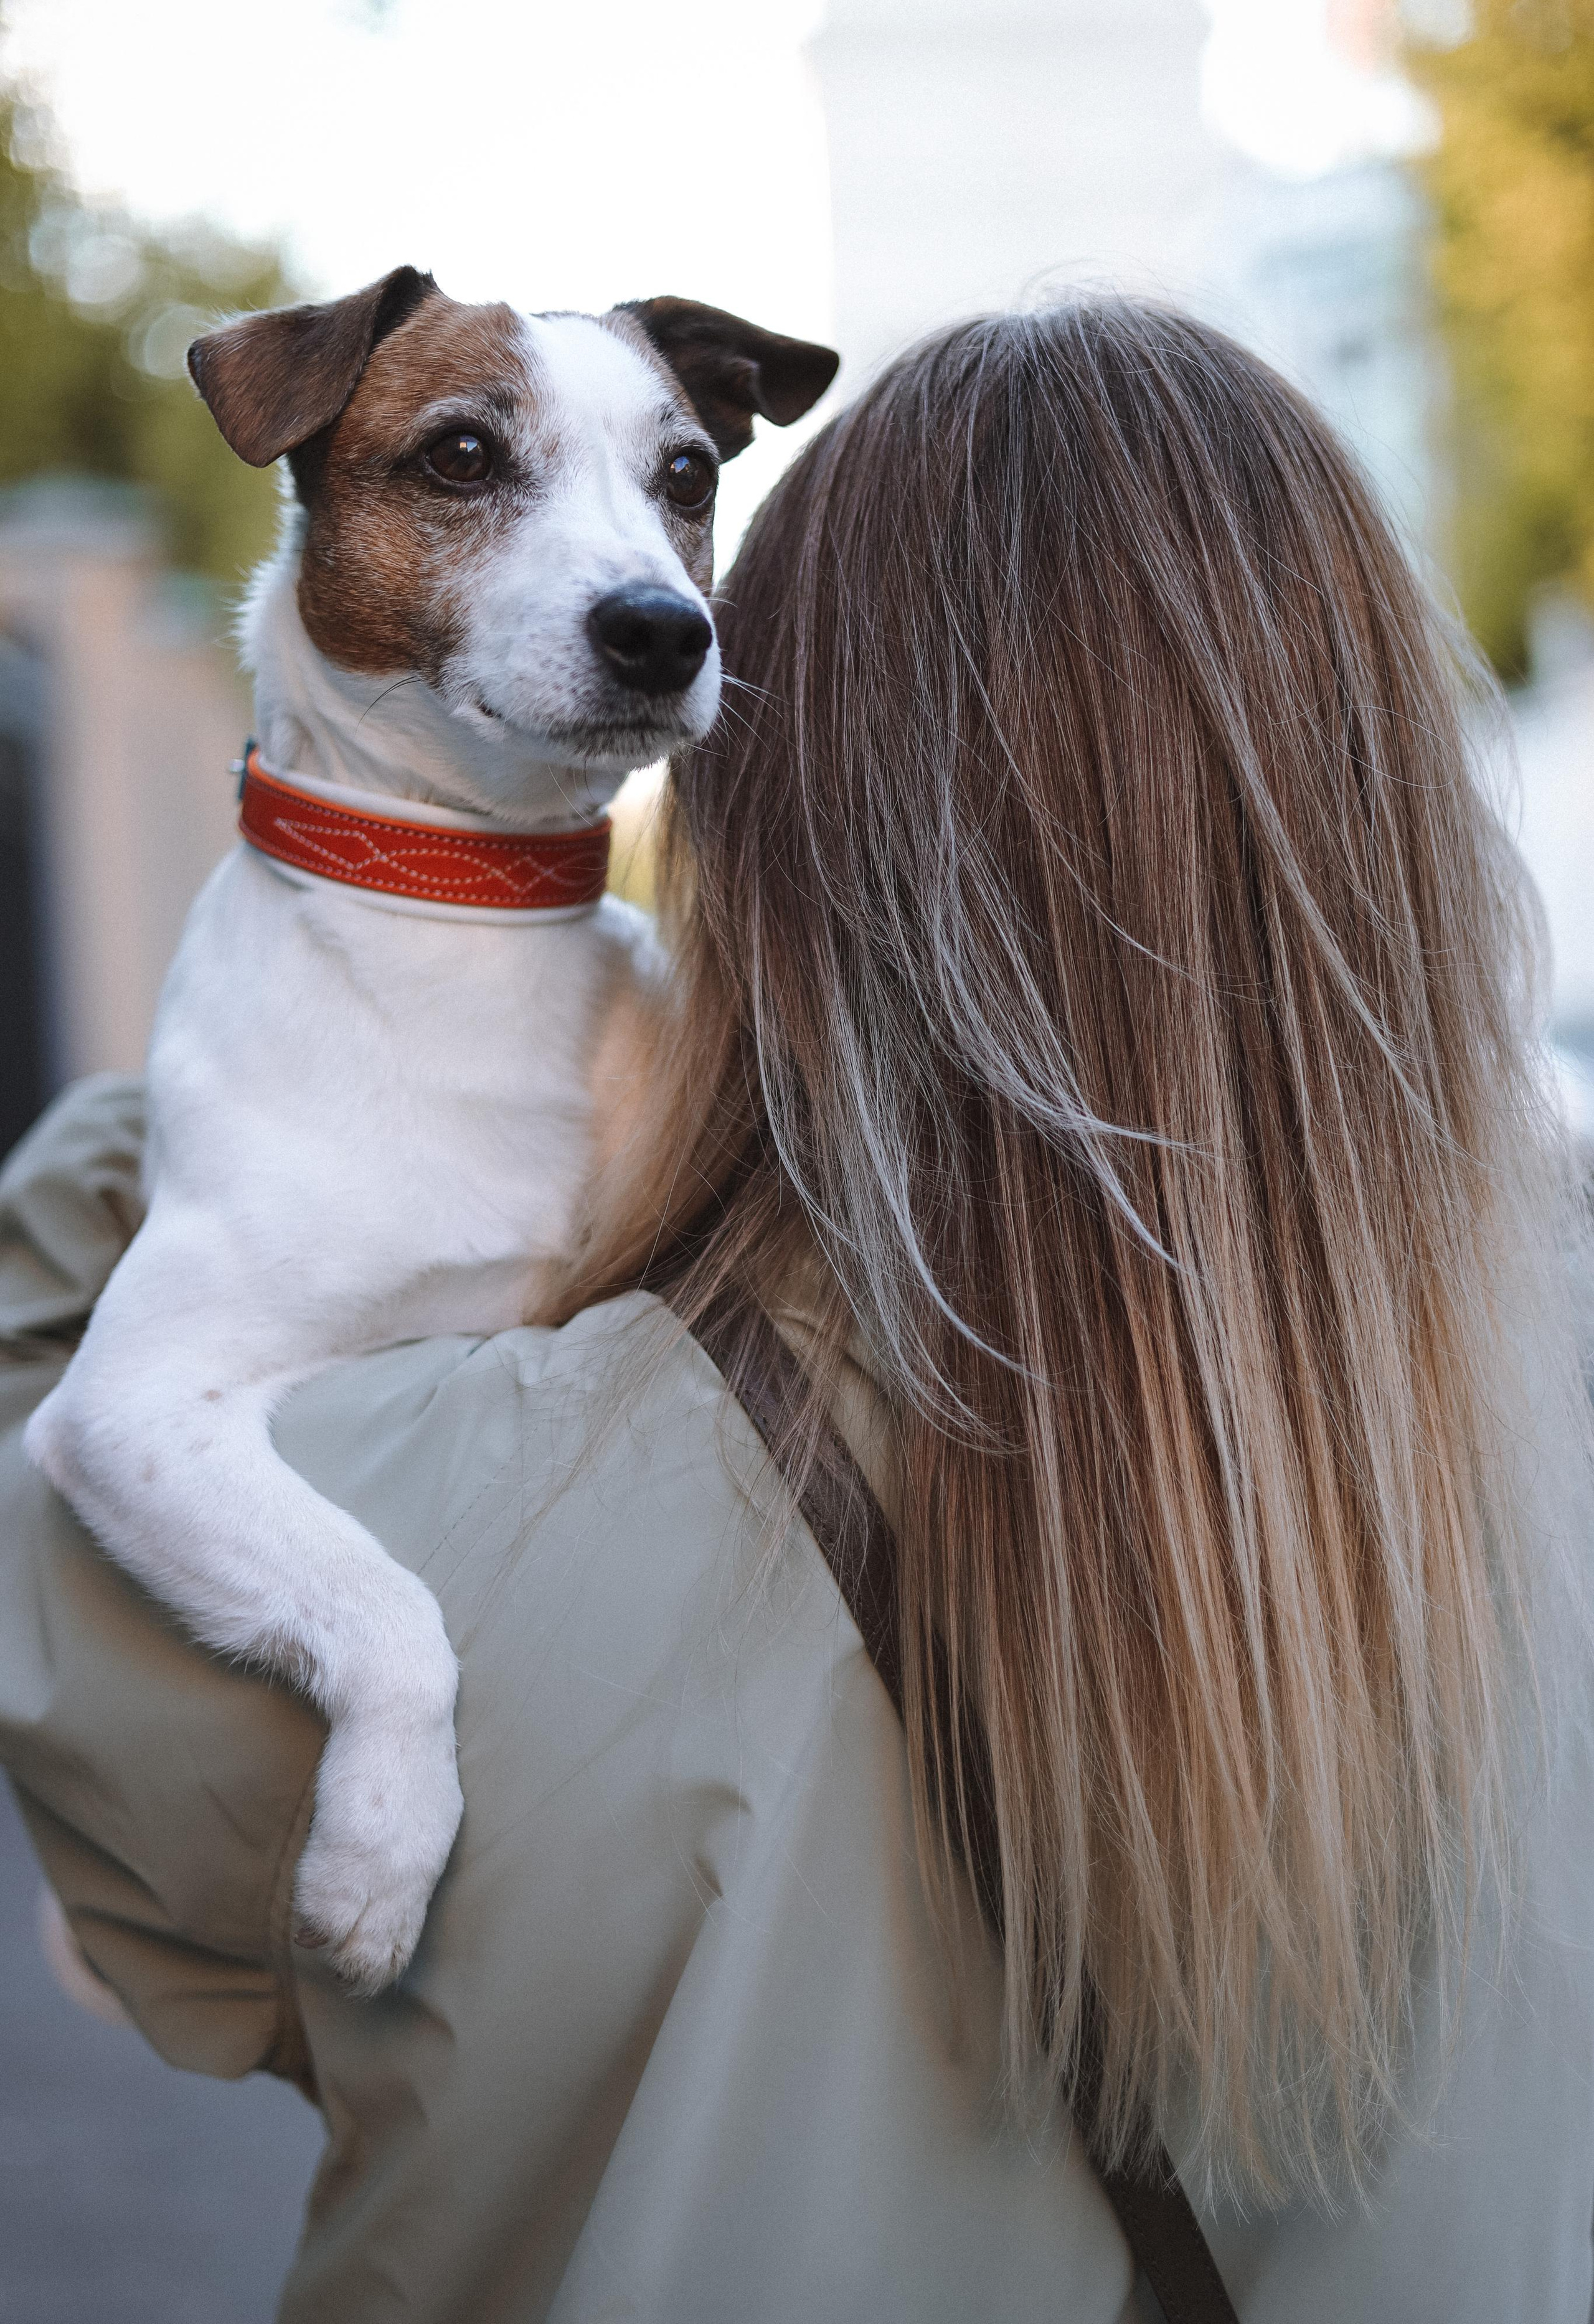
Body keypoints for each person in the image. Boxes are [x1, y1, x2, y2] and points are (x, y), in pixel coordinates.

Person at [2, 300, 1591, 2323]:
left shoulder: (460, 1502)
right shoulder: (1558, 1349)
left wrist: (195, 1086)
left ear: (768, 810)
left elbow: (81, 1617)